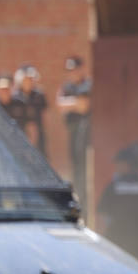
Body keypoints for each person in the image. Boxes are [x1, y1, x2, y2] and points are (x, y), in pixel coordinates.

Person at [57, 55, 92, 189]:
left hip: (85, 133)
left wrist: (70, 103)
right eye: (69, 70)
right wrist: (76, 102)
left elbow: (84, 106)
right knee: (75, 167)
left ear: (81, 69)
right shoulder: (67, 87)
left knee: (84, 168)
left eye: (75, 69)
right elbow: (59, 104)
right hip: (72, 131)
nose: (72, 73)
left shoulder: (87, 85)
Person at [12, 65, 48, 156]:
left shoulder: (39, 96)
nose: (29, 82)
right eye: (26, 79)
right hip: (20, 134)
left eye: (31, 79)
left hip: (38, 134)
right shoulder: (15, 97)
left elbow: (44, 115)